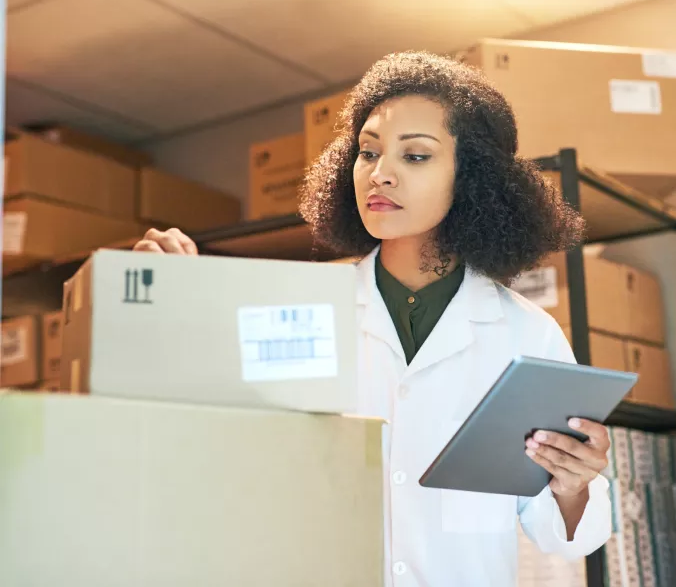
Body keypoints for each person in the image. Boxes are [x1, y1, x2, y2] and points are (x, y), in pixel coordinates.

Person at [134, 51, 612, 586]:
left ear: (473, 177)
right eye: (367, 152)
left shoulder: (527, 336)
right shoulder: (300, 312)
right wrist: (176, 304)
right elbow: (213, 451)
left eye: (415, 157)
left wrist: (574, 485)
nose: (380, 174)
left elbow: (565, 537)